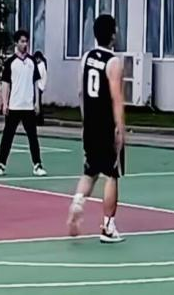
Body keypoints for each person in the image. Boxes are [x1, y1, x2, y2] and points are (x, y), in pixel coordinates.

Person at [67, 15, 126, 243]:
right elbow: (116, 98)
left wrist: (85, 118)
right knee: (111, 175)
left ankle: (77, 202)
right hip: (106, 125)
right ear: (113, 34)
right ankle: (108, 226)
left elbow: (80, 91)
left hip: (90, 123)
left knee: (90, 171)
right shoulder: (113, 62)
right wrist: (120, 128)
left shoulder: (86, 58)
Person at [0, 30, 46, 177]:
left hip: (28, 106)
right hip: (14, 106)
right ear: (16, 43)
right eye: (22, 41)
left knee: (33, 137)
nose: (25, 44)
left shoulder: (32, 61)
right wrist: (5, 103)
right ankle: (1, 164)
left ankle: (37, 165)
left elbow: (36, 83)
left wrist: (37, 103)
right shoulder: (10, 62)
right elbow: (6, 84)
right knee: (7, 136)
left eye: (26, 41)